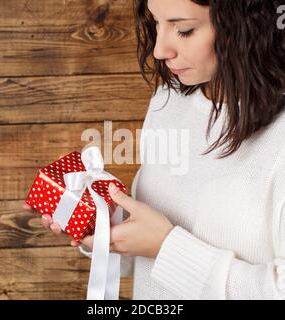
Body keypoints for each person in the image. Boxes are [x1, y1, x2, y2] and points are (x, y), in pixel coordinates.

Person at [23, 0, 285, 299]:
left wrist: (166, 247)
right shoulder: (169, 99)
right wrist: (99, 221)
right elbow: (147, 263)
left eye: (184, 30)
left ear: (248, 23)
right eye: (156, 23)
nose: (160, 50)